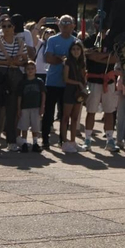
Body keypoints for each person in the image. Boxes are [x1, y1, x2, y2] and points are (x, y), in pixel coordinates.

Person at [0, 15, 25, 149]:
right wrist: (6, 62)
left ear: (14, 28)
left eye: (9, 26)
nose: (6, 29)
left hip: (14, 75)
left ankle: (11, 141)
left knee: (12, 110)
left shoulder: (20, 43)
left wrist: (18, 62)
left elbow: (25, 59)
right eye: (3, 26)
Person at [39, 15, 76, 149]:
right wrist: (63, 60)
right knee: (48, 112)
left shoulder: (76, 41)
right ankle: (45, 139)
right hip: (53, 81)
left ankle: (63, 139)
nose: (65, 25)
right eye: (62, 23)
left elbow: (78, 61)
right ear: (59, 25)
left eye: (68, 23)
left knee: (65, 114)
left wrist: (60, 59)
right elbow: (48, 58)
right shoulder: (53, 40)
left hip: (69, 83)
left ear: (73, 26)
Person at [82, 17, 115, 149]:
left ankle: (110, 139)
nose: (100, 25)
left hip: (109, 80)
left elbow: (114, 58)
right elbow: (89, 56)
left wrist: (97, 57)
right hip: (93, 80)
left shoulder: (112, 40)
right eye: (97, 22)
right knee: (91, 110)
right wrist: (105, 57)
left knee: (109, 111)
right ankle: (88, 139)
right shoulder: (89, 40)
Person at [61, 39, 87, 153]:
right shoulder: (68, 62)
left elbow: (83, 76)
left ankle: (72, 141)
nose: (76, 51)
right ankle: (64, 141)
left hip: (79, 91)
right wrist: (79, 83)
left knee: (75, 117)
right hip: (70, 90)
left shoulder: (81, 62)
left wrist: (84, 83)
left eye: (78, 49)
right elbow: (66, 79)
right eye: (73, 49)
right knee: (66, 117)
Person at [15, 60, 45, 153]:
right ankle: (24, 143)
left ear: (35, 70)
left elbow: (43, 94)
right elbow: (19, 96)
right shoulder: (23, 82)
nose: (30, 71)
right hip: (25, 107)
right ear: (25, 70)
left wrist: (42, 106)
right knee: (24, 125)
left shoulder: (39, 82)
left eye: (32, 68)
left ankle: (35, 143)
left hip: (36, 107)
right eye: (28, 69)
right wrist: (19, 108)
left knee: (35, 125)